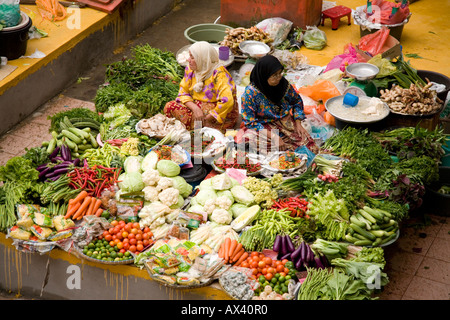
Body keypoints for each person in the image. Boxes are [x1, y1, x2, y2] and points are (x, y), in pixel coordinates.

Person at [239, 54, 318, 154]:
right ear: (264, 75)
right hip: (263, 125)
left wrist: (298, 123)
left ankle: (282, 151)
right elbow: (250, 122)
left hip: (284, 122)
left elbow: (296, 101)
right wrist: (274, 137)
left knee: (308, 147)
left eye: (280, 73)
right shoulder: (250, 93)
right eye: (274, 75)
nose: (278, 78)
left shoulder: (283, 85)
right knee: (248, 141)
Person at [164, 41, 239, 133]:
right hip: (197, 106)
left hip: (219, 112)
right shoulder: (190, 70)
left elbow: (227, 102)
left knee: (202, 117)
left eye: (192, 57)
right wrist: (195, 109)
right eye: (189, 56)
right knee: (169, 107)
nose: (188, 59)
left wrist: (208, 118)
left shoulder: (219, 74)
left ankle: (201, 126)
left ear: (203, 59)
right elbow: (183, 93)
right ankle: (199, 126)